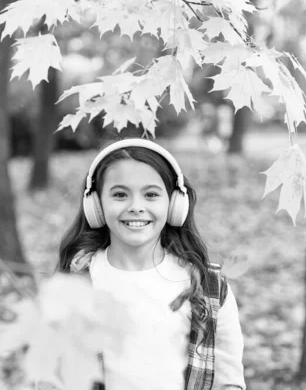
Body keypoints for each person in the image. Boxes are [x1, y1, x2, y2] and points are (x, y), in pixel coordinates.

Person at [51, 138, 245, 390]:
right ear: (96, 205)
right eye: (120, 195)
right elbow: (50, 378)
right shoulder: (74, 285)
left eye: (151, 195)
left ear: (175, 204)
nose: (136, 207)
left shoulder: (208, 288)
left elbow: (228, 382)